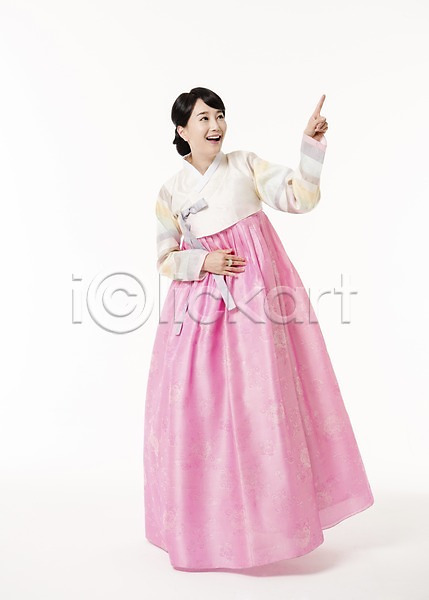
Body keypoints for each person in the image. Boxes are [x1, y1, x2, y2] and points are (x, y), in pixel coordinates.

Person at [144, 87, 374, 571]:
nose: (216, 125)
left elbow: (299, 197)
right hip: (200, 313)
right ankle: (210, 529)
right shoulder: (170, 193)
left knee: (261, 405)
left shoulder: (244, 166)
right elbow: (164, 259)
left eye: (220, 115)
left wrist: (310, 149)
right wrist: (203, 260)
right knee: (204, 413)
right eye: (204, 118)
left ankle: (275, 524)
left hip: (257, 307)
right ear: (182, 130)